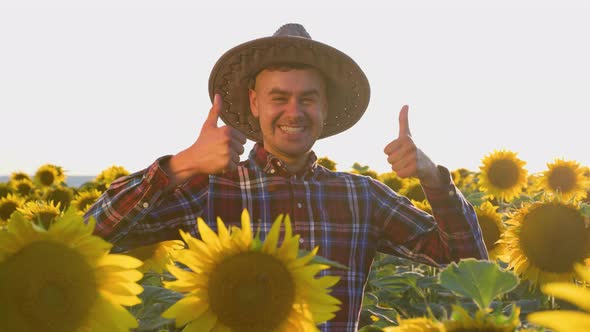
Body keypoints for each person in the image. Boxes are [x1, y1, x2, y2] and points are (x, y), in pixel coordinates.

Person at [86, 23, 487, 331]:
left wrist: (433, 177)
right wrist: (181, 164)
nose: (293, 111)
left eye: (307, 98)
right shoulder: (210, 190)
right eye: (279, 97)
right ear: (255, 103)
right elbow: (93, 237)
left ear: (324, 107)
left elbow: (467, 262)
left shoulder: (360, 197)